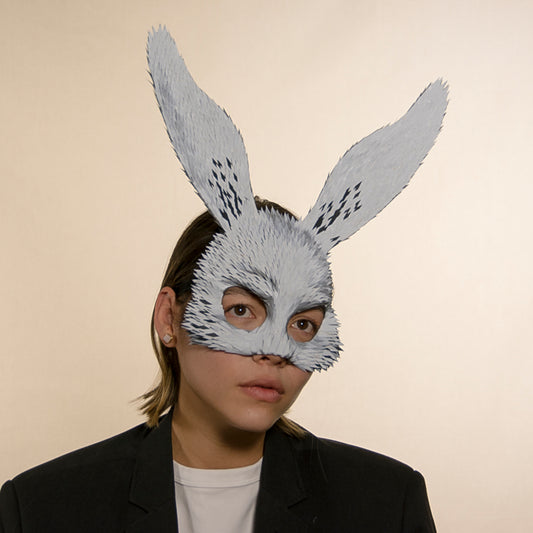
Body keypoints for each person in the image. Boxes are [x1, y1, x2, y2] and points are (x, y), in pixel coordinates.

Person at [0, 27, 447, 532]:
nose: (275, 351)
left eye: (303, 324)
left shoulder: (385, 505)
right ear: (169, 318)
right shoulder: (42, 510)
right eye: (241, 311)